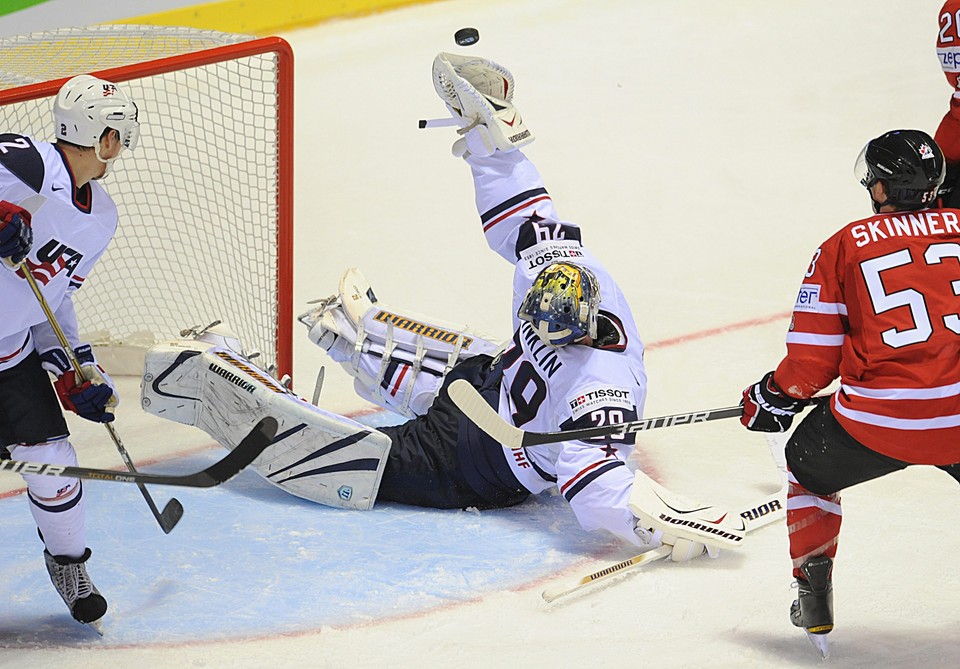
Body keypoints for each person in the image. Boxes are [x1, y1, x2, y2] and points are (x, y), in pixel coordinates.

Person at [295, 52, 727, 560]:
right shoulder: (559, 270)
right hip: (489, 385)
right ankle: (371, 355)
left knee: (369, 458)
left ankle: (303, 434)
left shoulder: (603, 389)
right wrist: (489, 131)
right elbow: (525, 211)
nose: (546, 334)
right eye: (537, 325)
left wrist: (652, 527)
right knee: (483, 363)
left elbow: (597, 487)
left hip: (474, 463)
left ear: (587, 323)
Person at [739, 129, 958, 652]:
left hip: (881, 424)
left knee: (806, 466)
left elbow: (811, 363)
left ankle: (813, 595)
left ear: (880, 189)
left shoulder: (843, 245)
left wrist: (773, 396)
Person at [0, 74, 139, 632]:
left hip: (9, 356)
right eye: (119, 136)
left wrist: (77, 370)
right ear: (104, 138)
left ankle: (68, 567)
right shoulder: (29, 161)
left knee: (54, 468)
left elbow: (53, 302)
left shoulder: (99, 217)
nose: (120, 149)